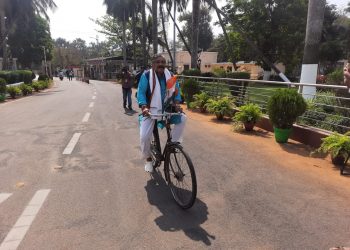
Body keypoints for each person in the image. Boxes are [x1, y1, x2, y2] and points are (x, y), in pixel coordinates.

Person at [137, 55, 186, 173]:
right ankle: (148, 159)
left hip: (167, 108)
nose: (161, 64)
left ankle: (173, 144)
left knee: (183, 118)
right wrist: (144, 107)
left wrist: (177, 103)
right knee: (144, 137)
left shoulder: (170, 76)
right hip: (150, 110)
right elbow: (141, 93)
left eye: (163, 62)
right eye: (158, 62)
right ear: (153, 64)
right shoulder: (147, 75)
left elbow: (176, 91)